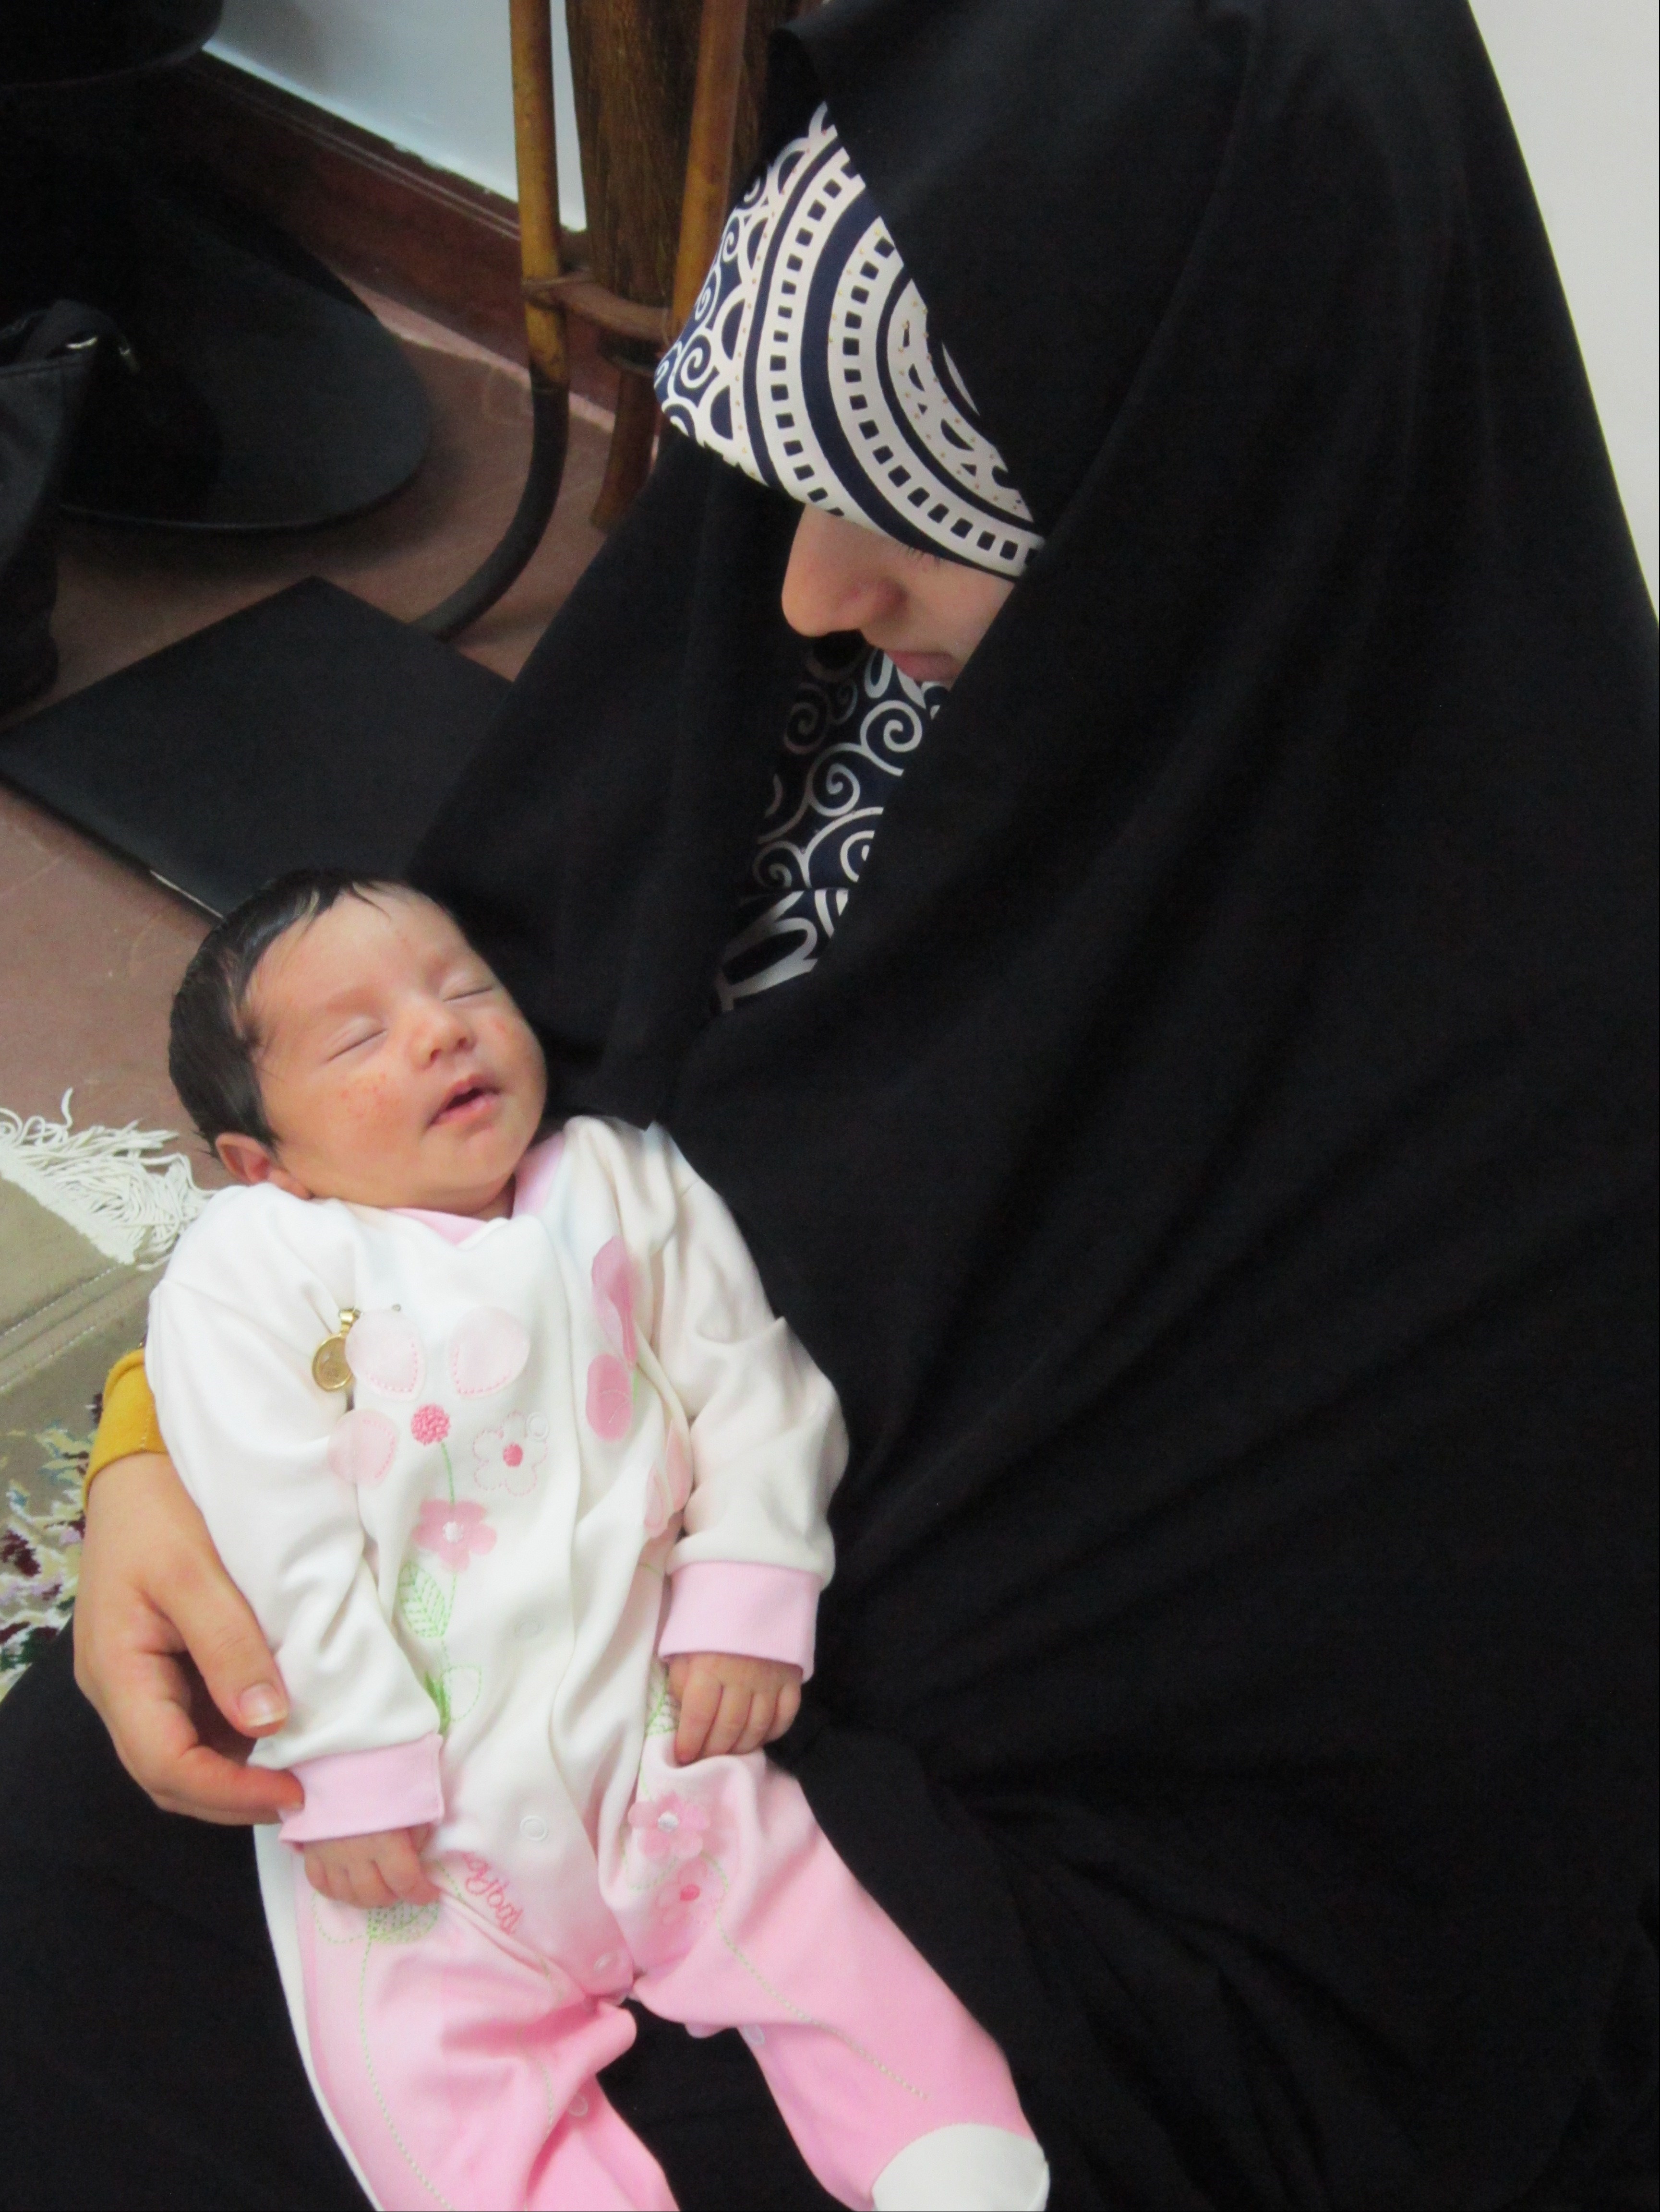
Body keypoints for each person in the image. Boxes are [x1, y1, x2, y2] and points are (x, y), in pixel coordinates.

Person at [1, 2, 1653, 2206]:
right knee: (66, 1848)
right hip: (519, 1621)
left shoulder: (1520, 1052)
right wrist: (154, 1451)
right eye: (786, 471)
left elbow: (1362, 1854)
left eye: (928, 511)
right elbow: (398, 1137)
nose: (808, 590)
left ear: (1193, 505)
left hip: (1018, 1830)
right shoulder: (776, 641)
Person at [144, 868, 1044, 2212]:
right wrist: (347, 1760)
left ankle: (954, 2165)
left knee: (829, 1933)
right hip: (427, 1829)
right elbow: (274, 1533)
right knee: (427, 2093)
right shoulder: (255, 1266)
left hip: (657, 1745)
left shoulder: (620, 1178)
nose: (441, 1030)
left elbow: (753, 1384)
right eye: (361, 1037)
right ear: (264, 1160)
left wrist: (746, 1590)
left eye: (465, 988)